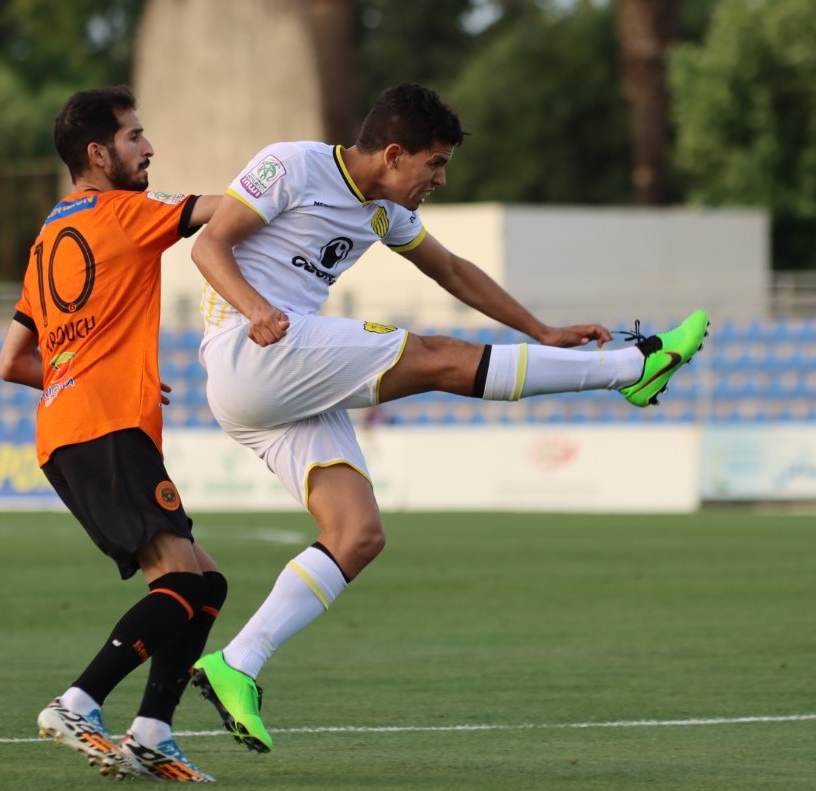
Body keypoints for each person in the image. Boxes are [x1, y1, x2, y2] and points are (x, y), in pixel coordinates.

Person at [188, 83, 709, 753]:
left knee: (357, 533)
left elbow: (454, 271)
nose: (440, 177)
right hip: (251, 349)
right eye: (434, 164)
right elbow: (210, 246)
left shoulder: (384, 207)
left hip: (281, 378)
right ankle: (635, 368)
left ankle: (237, 662)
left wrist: (539, 328)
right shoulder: (291, 164)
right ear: (395, 152)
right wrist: (256, 309)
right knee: (437, 355)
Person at [0, 86, 223, 783]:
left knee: (203, 581)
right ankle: (78, 701)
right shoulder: (125, 213)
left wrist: (93, 370)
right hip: (105, 425)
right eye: (135, 136)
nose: (149, 148)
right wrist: (300, 176)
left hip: (71, 425)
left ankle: (152, 731)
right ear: (98, 153)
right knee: (181, 584)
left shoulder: (46, 238)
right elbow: (224, 211)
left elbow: (12, 360)